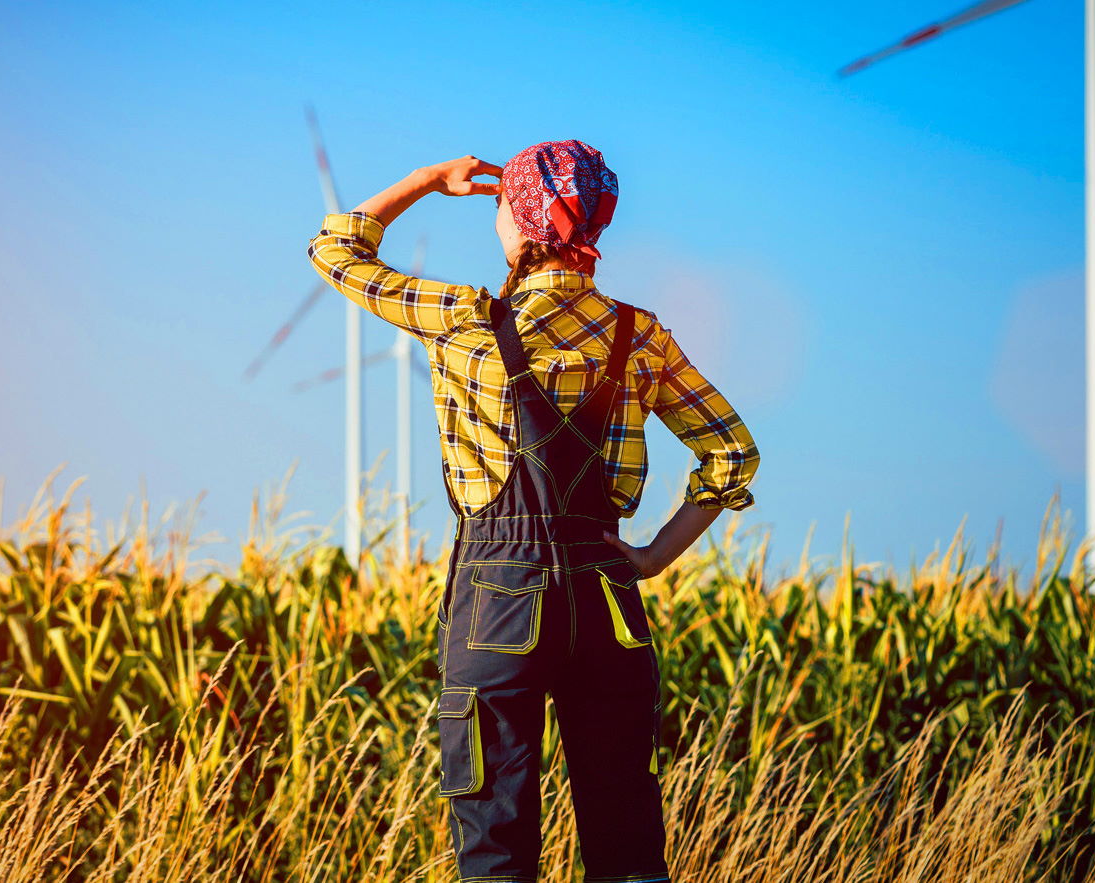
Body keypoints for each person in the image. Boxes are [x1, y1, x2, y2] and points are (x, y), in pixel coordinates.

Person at [305, 140, 759, 883]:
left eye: (499, 209)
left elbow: (336, 247)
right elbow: (732, 453)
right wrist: (649, 558)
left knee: (495, 846)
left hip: (495, 601)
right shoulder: (638, 335)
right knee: (627, 843)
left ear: (519, 220)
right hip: (605, 595)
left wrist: (425, 179)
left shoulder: (460, 316)